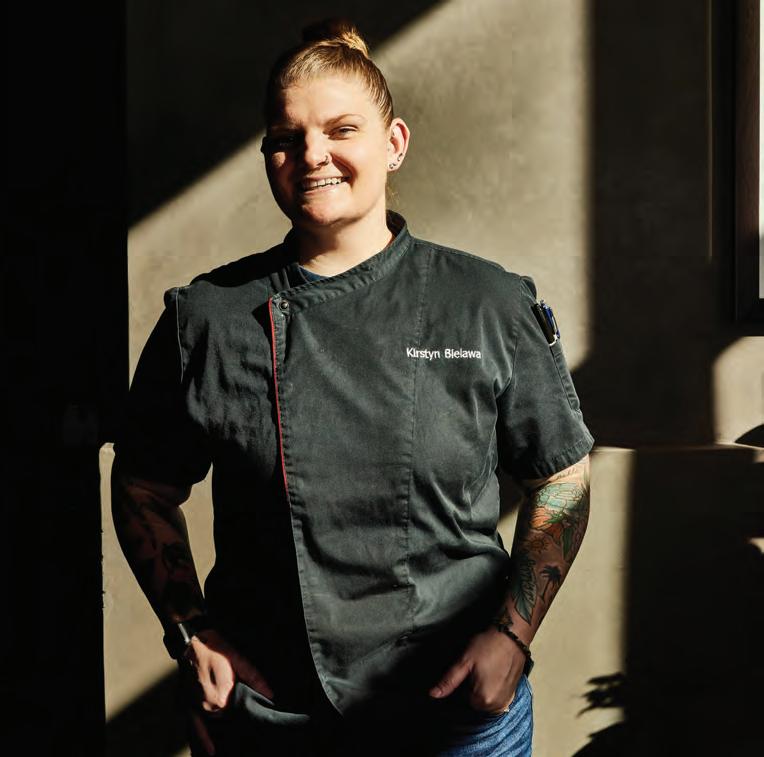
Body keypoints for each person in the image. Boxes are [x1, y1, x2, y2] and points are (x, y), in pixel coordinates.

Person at [111, 18, 594, 757]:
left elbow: (561, 472)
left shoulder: (486, 304)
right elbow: (143, 484)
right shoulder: (206, 318)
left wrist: (511, 635)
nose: (312, 155)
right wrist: (190, 630)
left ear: (394, 143)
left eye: (341, 130)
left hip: (456, 719)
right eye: (286, 138)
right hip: (271, 719)